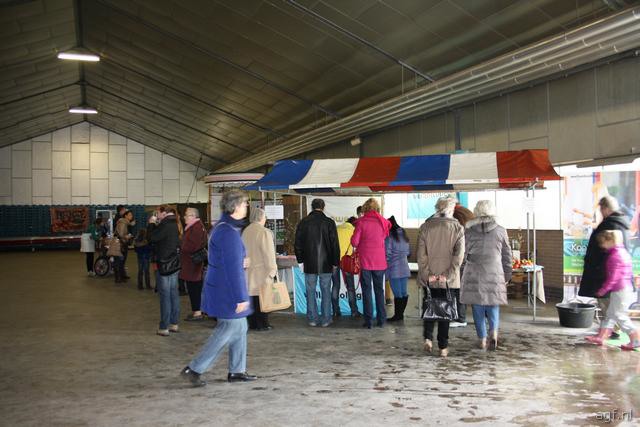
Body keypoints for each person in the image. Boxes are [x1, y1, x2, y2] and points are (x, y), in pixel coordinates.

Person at [180, 189, 257, 387]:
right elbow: (232, 269)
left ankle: (237, 370)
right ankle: (194, 368)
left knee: (240, 327)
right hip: (227, 290)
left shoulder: (224, 228)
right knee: (228, 328)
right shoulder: (228, 232)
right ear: (235, 206)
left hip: (222, 286)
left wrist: (241, 261)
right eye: (244, 203)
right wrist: (240, 298)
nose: (247, 206)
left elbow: (226, 261)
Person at [460, 200, 512, 350]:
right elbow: (507, 255)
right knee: (493, 303)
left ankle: (482, 339)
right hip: (494, 271)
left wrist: (462, 272)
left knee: (477, 306)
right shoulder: (501, 230)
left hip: (474, 271)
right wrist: (507, 274)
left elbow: (463, 253)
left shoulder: (469, 231)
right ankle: (493, 333)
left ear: (476, 212)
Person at [417, 196, 464, 357]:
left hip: (429, 277)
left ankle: (428, 338)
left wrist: (427, 274)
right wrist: (448, 276)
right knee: (445, 311)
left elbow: (421, 255)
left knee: (430, 305)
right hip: (448, 280)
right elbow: (459, 256)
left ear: (437, 209)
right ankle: (443, 347)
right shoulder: (458, 228)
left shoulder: (425, 227)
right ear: (451, 209)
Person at [579, 196, 631, 338]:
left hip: (605, 275)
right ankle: (606, 333)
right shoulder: (618, 223)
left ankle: (623, 333)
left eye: (601, 209)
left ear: (606, 208)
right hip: (609, 276)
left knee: (612, 310)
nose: (601, 212)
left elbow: (609, 256)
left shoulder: (612, 224)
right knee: (611, 310)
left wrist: (603, 282)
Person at [586, 230, 639, 350]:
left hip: (621, 289)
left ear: (610, 241)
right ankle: (601, 337)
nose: (601, 245)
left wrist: (603, 289)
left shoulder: (616, 256)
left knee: (619, 315)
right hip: (622, 288)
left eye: (602, 242)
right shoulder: (620, 253)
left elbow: (614, 277)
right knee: (610, 314)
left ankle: (636, 338)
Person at [295, 198, 340, 328]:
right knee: (326, 291)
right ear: (323, 207)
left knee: (310, 291)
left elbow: (297, 244)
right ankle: (326, 319)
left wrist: (300, 261)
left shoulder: (303, 222)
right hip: (326, 264)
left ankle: (312, 319)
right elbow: (334, 245)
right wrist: (335, 262)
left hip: (309, 264)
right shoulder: (329, 222)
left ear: (312, 207)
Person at [351, 198, 392, 328]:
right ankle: (381, 320)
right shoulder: (383, 222)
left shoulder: (361, 222)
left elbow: (354, 242)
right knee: (379, 291)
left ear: (365, 209)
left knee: (367, 291)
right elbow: (384, 238)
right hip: (380, 262)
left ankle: (368, 321)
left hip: (366, 262)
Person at [242, 207, 278, 331]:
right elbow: (269, 254)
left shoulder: (245, 231)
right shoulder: (264, 232)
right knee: (262, 299)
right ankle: (262, 324)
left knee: (252, 298)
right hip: (261, 271)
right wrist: (272, 270)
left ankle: (252, 323)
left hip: (248, 271)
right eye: (265, 216)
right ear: (261, 218)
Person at [148, 206, 181, 336]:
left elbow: (152, 238)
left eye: (158, 213)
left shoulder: (166, 224)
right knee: (174, 294)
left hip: (165, 264)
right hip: (174, 263)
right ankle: (174, 323)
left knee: (165, 296)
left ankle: (164, 327)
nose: (157, 216)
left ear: (164, 213)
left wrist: (151, 224)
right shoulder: (174, 223)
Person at [180, 207, 207, 321]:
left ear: (193, 216)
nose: (184, 217)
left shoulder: (196, 228)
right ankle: (196, 310)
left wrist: (182, 246)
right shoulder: (194, 227)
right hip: (191, 263)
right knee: (193, 288)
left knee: (194, 288)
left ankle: (197, 312)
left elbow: (194, 246)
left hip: (193, 264)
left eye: (186, 215)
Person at [451, 204, 475, 327]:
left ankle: (460, 318)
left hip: (462, 265)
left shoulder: (460, 230)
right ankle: (483, 317)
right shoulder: (474, 228)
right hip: (473, 265)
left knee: (459, 292)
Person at [386, 216, 411, 322]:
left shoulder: (390, 237)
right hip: (405, 268)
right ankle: (400, 315)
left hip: (394, 269)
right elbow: (408, 252)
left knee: (397, 294)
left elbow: (387, 254)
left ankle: (398, 316)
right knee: (404, 293)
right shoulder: (404, 235)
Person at [334, 216, 360, 317]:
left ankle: (335, 310)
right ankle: (354, 311)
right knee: (350, 287)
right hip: (347, 260)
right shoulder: (353, 230)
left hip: (334, 260)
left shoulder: (337, 228)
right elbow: (356, 245)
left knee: (335, 286)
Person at [114, 210, 134, 283]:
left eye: (131, 215)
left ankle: (121, 276)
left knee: (121, 261)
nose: (131, 216)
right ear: (125, 216)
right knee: (119, 261)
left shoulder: (125, 223)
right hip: (120, 244)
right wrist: (128, 236)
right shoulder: (123, 222)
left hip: (122, 243)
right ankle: (118, 277)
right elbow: (121, 234)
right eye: (130, 215)